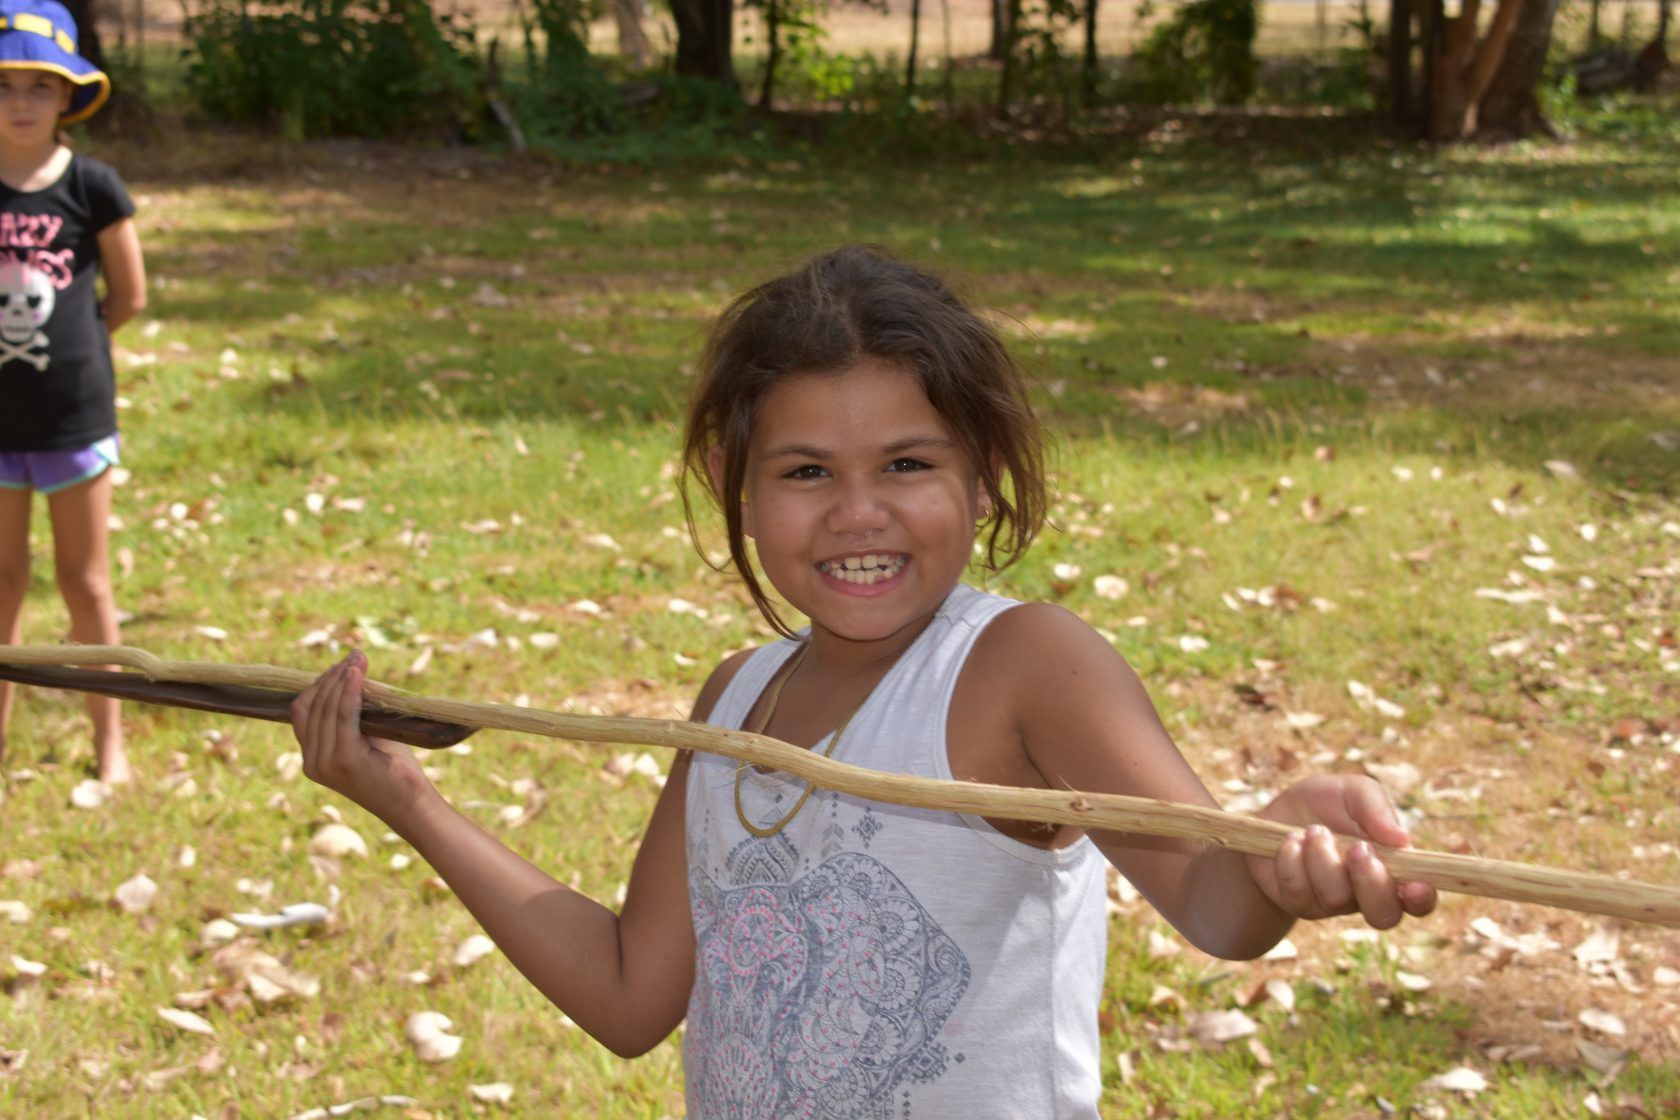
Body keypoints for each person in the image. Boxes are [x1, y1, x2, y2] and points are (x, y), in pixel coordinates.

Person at [292, 245, 1436, 1117]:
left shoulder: (1019, 668)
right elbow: (633, 995)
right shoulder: (735, 701)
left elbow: (1211, 899)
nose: (858, 512)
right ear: (728, 481)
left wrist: (1278, 863)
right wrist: (411, 801)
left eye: (906, 462)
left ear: (980, 474)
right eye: (804, 471)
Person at [0, 0, 145, 784]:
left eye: (38, 86)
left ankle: (108, 743)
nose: (20, 102)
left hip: (72, 421)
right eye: (4, 85)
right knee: (3, 582)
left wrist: (71, 360)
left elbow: (128, 297)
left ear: (67, 96)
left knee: (84, 581)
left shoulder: (94, 186)